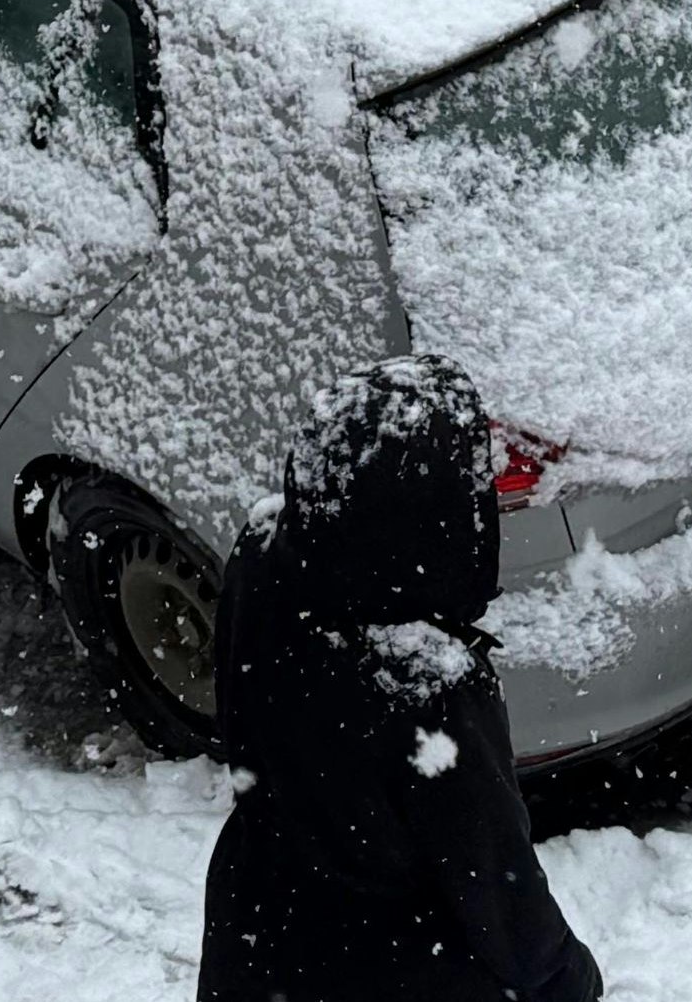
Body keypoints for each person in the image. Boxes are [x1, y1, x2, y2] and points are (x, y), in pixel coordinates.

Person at [199, 356, 600, 1002]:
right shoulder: (423, 687)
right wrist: (568, 976)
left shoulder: (266, 552)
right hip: (388, 964)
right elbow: (495, 884)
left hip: (259, 919)